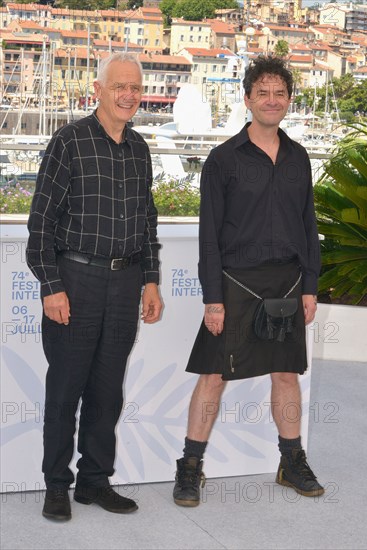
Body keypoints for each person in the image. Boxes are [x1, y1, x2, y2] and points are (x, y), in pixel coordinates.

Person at [173, 56, 323, 507]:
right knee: (214, 376)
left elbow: (307, 224)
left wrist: (310, 286)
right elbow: (209, 237)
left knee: (286, 374)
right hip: (235, 284)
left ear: (289, 100)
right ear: (247, 99)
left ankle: (290, 461)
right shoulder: (222, 161)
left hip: (288, 284)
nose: (272, 100)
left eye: (280, 93)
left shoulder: (299, 159)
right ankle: (189, 467)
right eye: (263, 93)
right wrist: (212, 300)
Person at [26, 52, 162, 521]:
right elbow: (40, 222)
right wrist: (51, 285)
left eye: (135, 88)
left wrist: (150, 281)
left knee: (108, 390)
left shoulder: (140, 148)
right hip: (76, 280)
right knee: (66, 389)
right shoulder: (69, 141)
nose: (129, 95)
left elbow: (147, 221)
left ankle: (94, 481)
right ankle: (56, 486)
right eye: (120, 86)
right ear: (98, 91)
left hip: (126, 283)